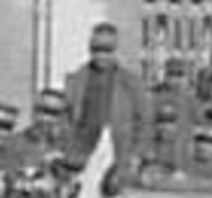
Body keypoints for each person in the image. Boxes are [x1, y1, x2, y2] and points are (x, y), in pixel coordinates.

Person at [63, 21, 149, 177]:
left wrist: (137, 153)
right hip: (83, 146)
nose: (101, 55)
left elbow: (142, 120)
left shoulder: (130, 82)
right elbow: (67, 117)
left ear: (115, 50)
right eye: (97, 50)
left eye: (107, 50)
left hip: (117, 145)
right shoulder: (77, 79)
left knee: (111, 195)